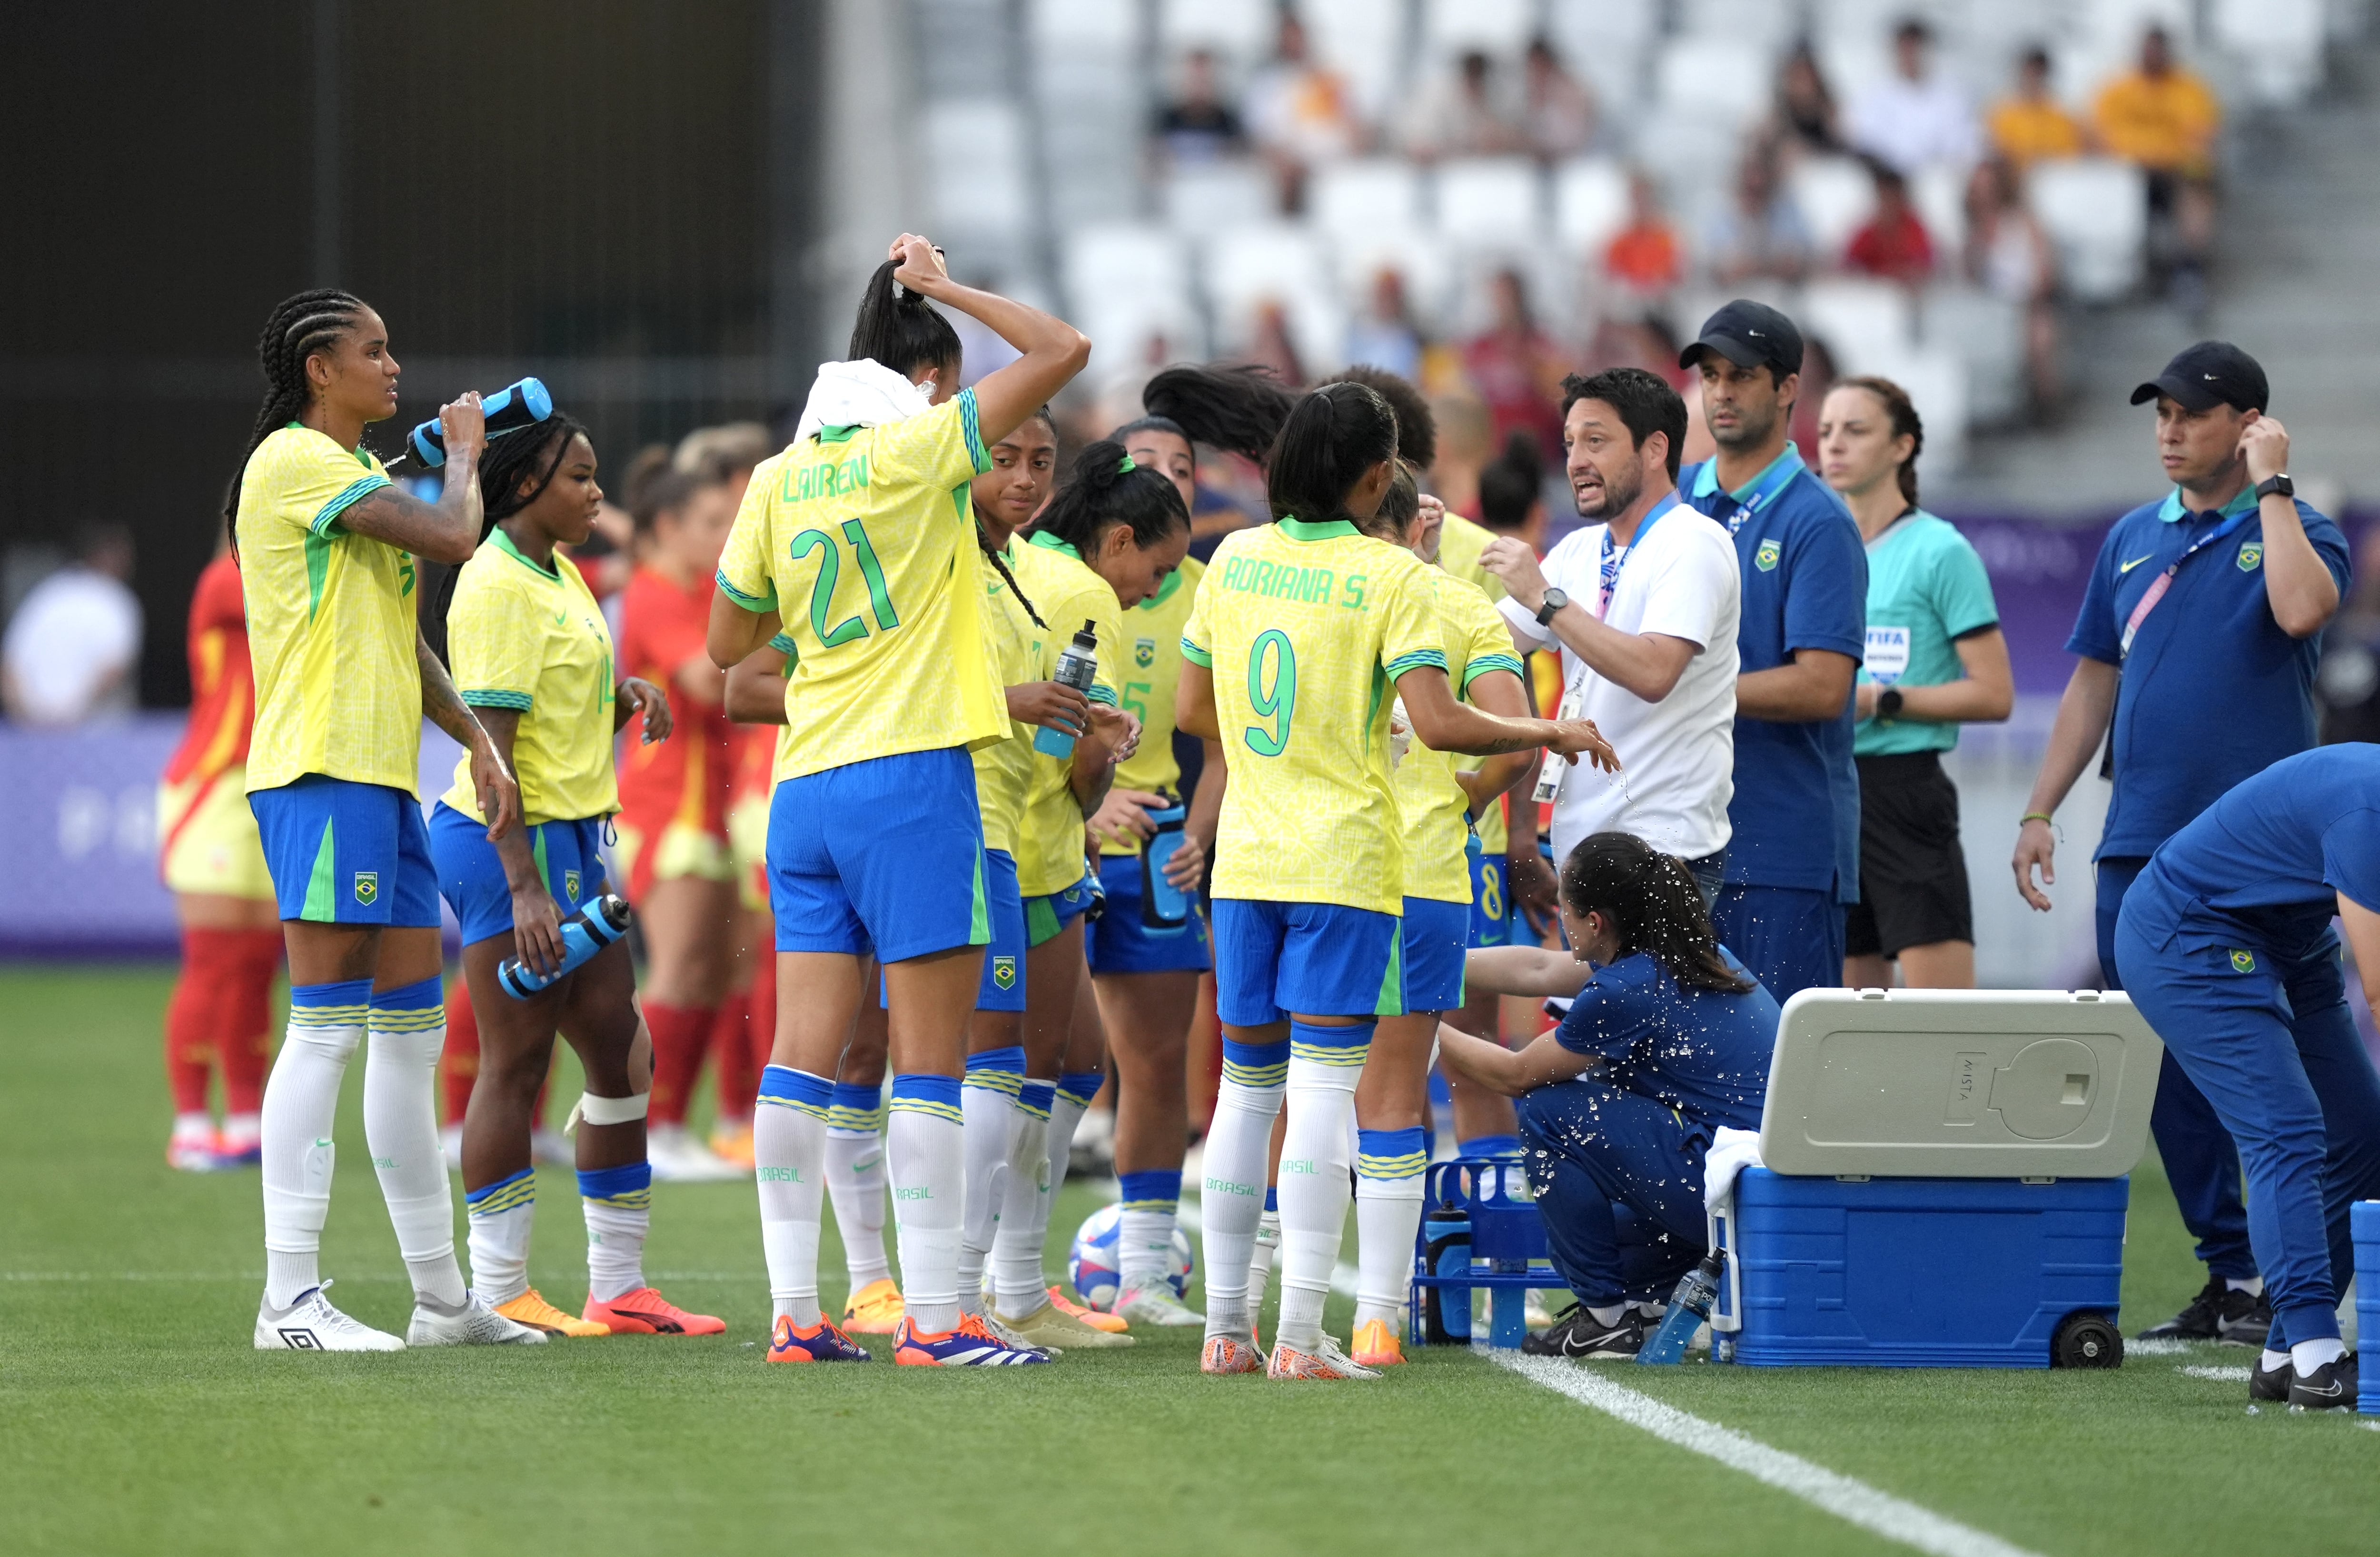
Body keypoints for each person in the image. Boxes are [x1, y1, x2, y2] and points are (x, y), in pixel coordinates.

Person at [1178, 377, 1612, 1381]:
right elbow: (1449, 721)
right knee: (1333, 1092)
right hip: (1345, 861)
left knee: (1248, 1094)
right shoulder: (1394, 581)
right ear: (1379, 477)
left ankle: (1225, 1330)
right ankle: (1299, 1339)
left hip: (1248, 856)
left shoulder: (1233, 556)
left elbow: (1193, 710)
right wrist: (1546, 727)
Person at [707, 233, 1091, 1368]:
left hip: (807, 786)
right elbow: (1063, 347)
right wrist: (943, 286)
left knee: (800, 1055)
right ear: (903, 403)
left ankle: (795, 1313)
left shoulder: (777, 481)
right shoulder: (919, 453)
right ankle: (935, 1320)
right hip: (916, 778)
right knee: (929, 1062)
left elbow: (731, 647)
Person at [2013, 341, 2347, 1347]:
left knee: (2297, 1059)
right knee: (2156, 1063)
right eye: (2158, 413)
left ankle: (2320, 1259)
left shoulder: (2297, 526)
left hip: (2264, 855)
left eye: (2190, 414)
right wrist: (2038, 810)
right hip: (2139, 844)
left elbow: (2299, 609)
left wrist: (2273, 485)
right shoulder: (2128, 539)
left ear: (2247, 424)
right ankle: (2232, 1272)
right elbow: (2089, 685)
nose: (2166, 430)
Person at [228, 288, 530, 1350]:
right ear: (321, 370)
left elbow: (402, 643)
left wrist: (478, 744)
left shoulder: (352, 478)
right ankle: (288, 1300)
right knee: (323, 1030)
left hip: (378, 777)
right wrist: (463, 454)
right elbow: (456, 533)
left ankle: (443, 1302)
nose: (393, 366)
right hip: (320, 772)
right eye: (375, 350)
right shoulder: (296, 463)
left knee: (411, 1034)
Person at [426, 410, 723, 1340]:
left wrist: (618, 700)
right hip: (507, 843)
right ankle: (501, 1289)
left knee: (621, 1052)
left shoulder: (558, 573)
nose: (599, 494)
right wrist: (522, 887)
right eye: (581, 479)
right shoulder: (497, 585)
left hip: (568, 836)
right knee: (514, 1061)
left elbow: (553, 722)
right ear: (523, 488)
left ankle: (620, 1285)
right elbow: (492, 756)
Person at [1439, 832, 1777, 1359]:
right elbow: (1537, 969)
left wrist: (1411, 1018)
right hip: (1756, 1194)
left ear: (1594, 922)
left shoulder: (1625, 989)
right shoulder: (1683, 951)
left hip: (1727, 1187)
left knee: (1548, 1109)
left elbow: (1514, 1074)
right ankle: (1649, 1302)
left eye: (1564, 909)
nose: (1559, 918)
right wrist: (1424, 962)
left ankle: (1605, 1319)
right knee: (1596, 1242)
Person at [2113, 745, 2380, 1409]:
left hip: (2286, 933)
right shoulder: (2367, 809)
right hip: (2190, 931)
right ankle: (2319, 1359)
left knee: (2365, 1131)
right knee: (2285, 1129)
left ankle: (2285, 1350)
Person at [1349, 465, 1537, 1369]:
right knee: (1408, 1071)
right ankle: (1399, 1303)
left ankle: (1256, 1308)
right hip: (1429, 858)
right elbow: (1510, 729)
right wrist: (1476, 798)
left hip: (1302, 861)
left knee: (1288, 1076)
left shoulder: (1264, 571)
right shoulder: (1451, 596)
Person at [1485, 368, 1740, 910]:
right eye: (1570, 443)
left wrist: (1546, 601)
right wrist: (1419, 564)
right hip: (1583, 846)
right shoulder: (1579, 549)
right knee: (1574, 993)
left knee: (1614, 996)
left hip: (1664, 852)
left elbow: (1653, 673)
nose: (1575, 460)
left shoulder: (1692, 542)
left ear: (1654, 450)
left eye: (1595, 441)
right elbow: (1485, 645)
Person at [1676, 301, 1867, 1005]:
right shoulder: (1674, 503)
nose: (1722, 391)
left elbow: (1822, 686)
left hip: (1781, 847)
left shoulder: (1818, 519)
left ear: (1789, 387)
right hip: (1674, 836)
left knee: (1778, 1078)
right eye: (1711, 375)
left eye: (1743, 376)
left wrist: (1683, 687)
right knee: (1679, 1081)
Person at [1087, 411, 1224, 1328]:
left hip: (1165, 847)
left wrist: (1201, 833)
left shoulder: (1212, 589)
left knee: (1155, 1060)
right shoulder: (1055, 582)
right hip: (1056, 836)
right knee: (1029, 1059)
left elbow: (1219, 743)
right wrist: (1088, 807)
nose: (1167, 475)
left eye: (1183, 463)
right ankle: (986, 1270)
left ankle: (1142, 1270)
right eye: (1148, 463)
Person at [1817, 377, 2011, 990]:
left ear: (1901, 447)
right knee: (1846, 1024)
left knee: (1942, 1019)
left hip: (1903, 791)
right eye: (1824, 431)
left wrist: (1882, 700)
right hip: (1826, 792)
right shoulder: (1818, 547)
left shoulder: (1939, 550)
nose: (1834, 445)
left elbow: (1993, 692)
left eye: (1855, 430)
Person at [614, 465, 745, 1182]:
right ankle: (647, 1126)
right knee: (676, 968)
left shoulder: (699, 590)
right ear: (668, 528)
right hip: (668, 803)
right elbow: (702, 680)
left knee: (708, 974)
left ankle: (670, 1126)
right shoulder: (655, 590)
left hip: (714, 804)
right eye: (711, 523)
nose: (725, 538)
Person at [157, 543, 282, 1171]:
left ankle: (244, 1119)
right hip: (214, 785)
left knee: (259, 963)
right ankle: (189, 1123)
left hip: (277, 782)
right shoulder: (223, 577)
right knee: (212, 958)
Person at [2092, 25, 2221, 310]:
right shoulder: (2117, 90)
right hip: (2126, 174)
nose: (2153, 56)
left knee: (2196, 187)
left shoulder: (2190, 89)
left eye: (2158, 50)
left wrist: (2165, 158)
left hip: (2172, 173)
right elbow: (2098, 137)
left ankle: (2190, 270)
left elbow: (2202, 140)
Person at [2, 523, 141, 725]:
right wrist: (69, 715)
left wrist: (30, 719)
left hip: (35, 734)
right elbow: (116, 669)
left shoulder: (46, 593)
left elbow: (9, 668)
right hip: (96, 738)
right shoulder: (116, 600)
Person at [1963, 156, 2060, 411]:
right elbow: (1966, 278)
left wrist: (2025, 298)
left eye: (1990, 188)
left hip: (2025, 304)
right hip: (1982, 306)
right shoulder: (1968, 231)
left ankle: (2043, 402)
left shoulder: (2026, 224)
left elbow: (2045, 273)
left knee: (2040, 333)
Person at [1461, 271, 1568, 476]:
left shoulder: (1541, 345)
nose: (1503, 304)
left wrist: (1530, 365)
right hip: (1493, 457)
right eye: (1498, 297)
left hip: (1537, 457)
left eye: (1508, 297)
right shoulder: (1479, 348)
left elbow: (1562, 399)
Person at [1845, 18, 1980, 176]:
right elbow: (1864, 142)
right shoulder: (1875, 93)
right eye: (1904, 49)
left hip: (1935, 177)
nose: (1910, 56)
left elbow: (1962, 145)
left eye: (1915, 49)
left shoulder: (1951, 96)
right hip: (1886, 177)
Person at [1703, 148, 1813, 288]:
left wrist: (1752, 267)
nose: (1756, 185)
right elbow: (1727, 271)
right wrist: (1768, 265)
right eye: (1750, 188)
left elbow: (1793, 265)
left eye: (1761, 188)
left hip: (1781, 295)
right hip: (1736, 297)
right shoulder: (1723, 214)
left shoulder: (1786, 211)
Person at [1405, 50, 1523, 159]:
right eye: (1472, 76)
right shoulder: (1441, 100)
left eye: (1478, 77)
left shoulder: (1496, 103)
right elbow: (1421, 144)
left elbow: (1510, 138)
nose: (1475, 85)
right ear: (1464, 77)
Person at [1987, 46, 2086, 169]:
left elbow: (2069, 158)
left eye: (2038, 74)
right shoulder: (2001, 113)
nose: (2033, 80)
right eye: (2029, 73)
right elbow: (1994, 152)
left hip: (2049, 180)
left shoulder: (2062, 118)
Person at [1152, 50, 1248, 169]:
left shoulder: (1230, 122)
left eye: (1204, 80)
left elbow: (1240, 161)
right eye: (1195, 79)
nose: (1199, 87)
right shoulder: (1166, 120)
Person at [1844, 161, 1934, 286]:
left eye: (1891, 197)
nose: (1887, 204)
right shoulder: (1871, 229)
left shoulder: (1914, 229)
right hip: (1875, 293)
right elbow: (1850, 264)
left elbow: (1922, 268)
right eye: (1883, 197)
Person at [1602, 172, 1685, 300]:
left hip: (1660, 302)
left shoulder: (1667, 237)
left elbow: (1673, 276)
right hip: (1627, 301)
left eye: (1645, 199)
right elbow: (1611, 274)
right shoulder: (1620, 239)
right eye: (1636, 199)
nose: (1640, 205)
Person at [1520, 37, 1596, 160]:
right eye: (1531, 68)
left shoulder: (1571, 91)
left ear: (1546, 62)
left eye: (1537, 66)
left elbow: (1571, 140)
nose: (1534, 73)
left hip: (1577, 161)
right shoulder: (1532, 91)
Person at [1773, 42, 1842, 156]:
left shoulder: (1831, 114)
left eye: (1806, 77)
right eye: (1797, 77)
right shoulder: (1773, 119)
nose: (1802, 85)